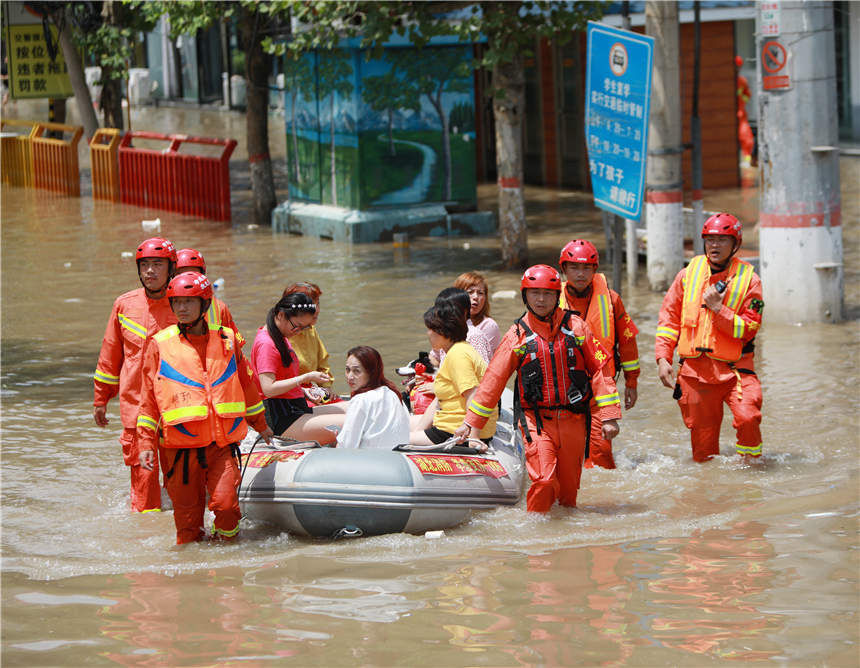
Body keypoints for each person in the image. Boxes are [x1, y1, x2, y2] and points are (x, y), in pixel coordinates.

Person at [453, 265, 622, 513]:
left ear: (557, 296)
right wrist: (471, 423)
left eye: (548, 294)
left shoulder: (576, 327)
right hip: (536, 421)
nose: (541, 300)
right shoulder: (517, 336)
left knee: (568, 496)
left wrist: (609, 415)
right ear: (525, 296)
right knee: (543, 479)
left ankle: (563, 545)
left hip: (574, 419)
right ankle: (536, 537)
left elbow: (601, 369)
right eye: (534, 293)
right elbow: (493, 381)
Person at [136, 272, 273, 544]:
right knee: (187, 527)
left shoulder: (228, 341)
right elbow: (148, 399)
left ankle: (229, 558)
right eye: (176, 303)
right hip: (179, 451)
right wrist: (145, 445)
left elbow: (246, 386)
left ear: (205, 305)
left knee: (226, 509)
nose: (182, 309)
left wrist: (261, 425)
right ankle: (193, 580)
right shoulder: (159, 345)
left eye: (189, 302)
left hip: (220, 446)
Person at [656, 212, 764, 463]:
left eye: (722, 240)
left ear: (735, 244)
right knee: (703, 452)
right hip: (695, 372)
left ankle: (752, 478)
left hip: (736, 370)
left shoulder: (751, 281)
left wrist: (719, 310)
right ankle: (709, 495)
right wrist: (663, 358)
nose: (715, 245)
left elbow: (749, 328)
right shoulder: (687, 274)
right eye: (710, 240)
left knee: (748, 419)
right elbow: (669, 320)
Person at [93, 237, 178, 512]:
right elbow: (110, 354)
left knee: (182, 485)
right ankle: (147, 540)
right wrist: (101, 398)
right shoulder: (124, 305)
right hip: (136, 408)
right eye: (145, 265)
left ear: (171, 269)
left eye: (157, 264)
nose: (150, 271)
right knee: (144, 496)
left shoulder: (185, 303)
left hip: (177, 407)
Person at [558, 239, 640, 469]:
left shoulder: (612, 300)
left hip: (601, 387)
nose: (581, 274)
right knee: (567, 454)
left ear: (595, 270)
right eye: (574, 267)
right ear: (563, 269)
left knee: (601, 455)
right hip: (564, 389)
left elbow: (627, 344)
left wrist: (632, 382)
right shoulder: (548, 299)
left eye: (586, 268)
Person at [250, 293, 347, 445]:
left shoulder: (280, 337)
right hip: (282, 420)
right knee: (351, 422)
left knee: (355, 408)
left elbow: (280, 380)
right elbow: (268, 388)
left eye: (304, 328)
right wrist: (305, 378)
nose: (299, 332)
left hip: (295, 409)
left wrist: (302, 391)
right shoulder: (267, 344)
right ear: (281, 315)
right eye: (297, 326)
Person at [409, 302, 498, 446]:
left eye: (430, 329)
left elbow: (473, 395)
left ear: (443, 332)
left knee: (392, 440)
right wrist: (418, 431)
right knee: (399, 425)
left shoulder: (458, 355)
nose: (428, 333)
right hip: (450, 423)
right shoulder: (458, 350)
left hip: (455, 431)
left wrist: (473, 437)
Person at [336, 346, 410, 449]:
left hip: (370, 461)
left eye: (356, 371)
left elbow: (345, 448)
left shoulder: (360, 400)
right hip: (395, 458)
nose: (350, 376)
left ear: (371, 373)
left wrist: (338, 439)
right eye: (348, 370)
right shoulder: (393, 393)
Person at [175, 247, 245, 346]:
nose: (188, 282)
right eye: (182, 276)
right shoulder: (164, 305)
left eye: (193, 276)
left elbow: (236, 345)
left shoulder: (219, 308)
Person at [282, 281, 336, 404]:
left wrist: (327, 388)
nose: (316, 310)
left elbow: (323, 365)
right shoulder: (282, 336)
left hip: (311, 393)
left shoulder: (311, 330)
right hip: (288, 398)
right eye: (312, 306)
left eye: (318, 304)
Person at [431, 287, 494, 364]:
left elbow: (483, 373)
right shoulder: (448, 335)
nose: (442, 315)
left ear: (465, 311)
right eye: (440, 311)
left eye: (447, 311)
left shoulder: (473, 336)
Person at [454, 272, 501, 355]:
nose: (475, 297)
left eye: (480, 293)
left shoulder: (489, 325)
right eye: (470, 292)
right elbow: (435, 355)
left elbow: (478, 361)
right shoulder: (448, 322)